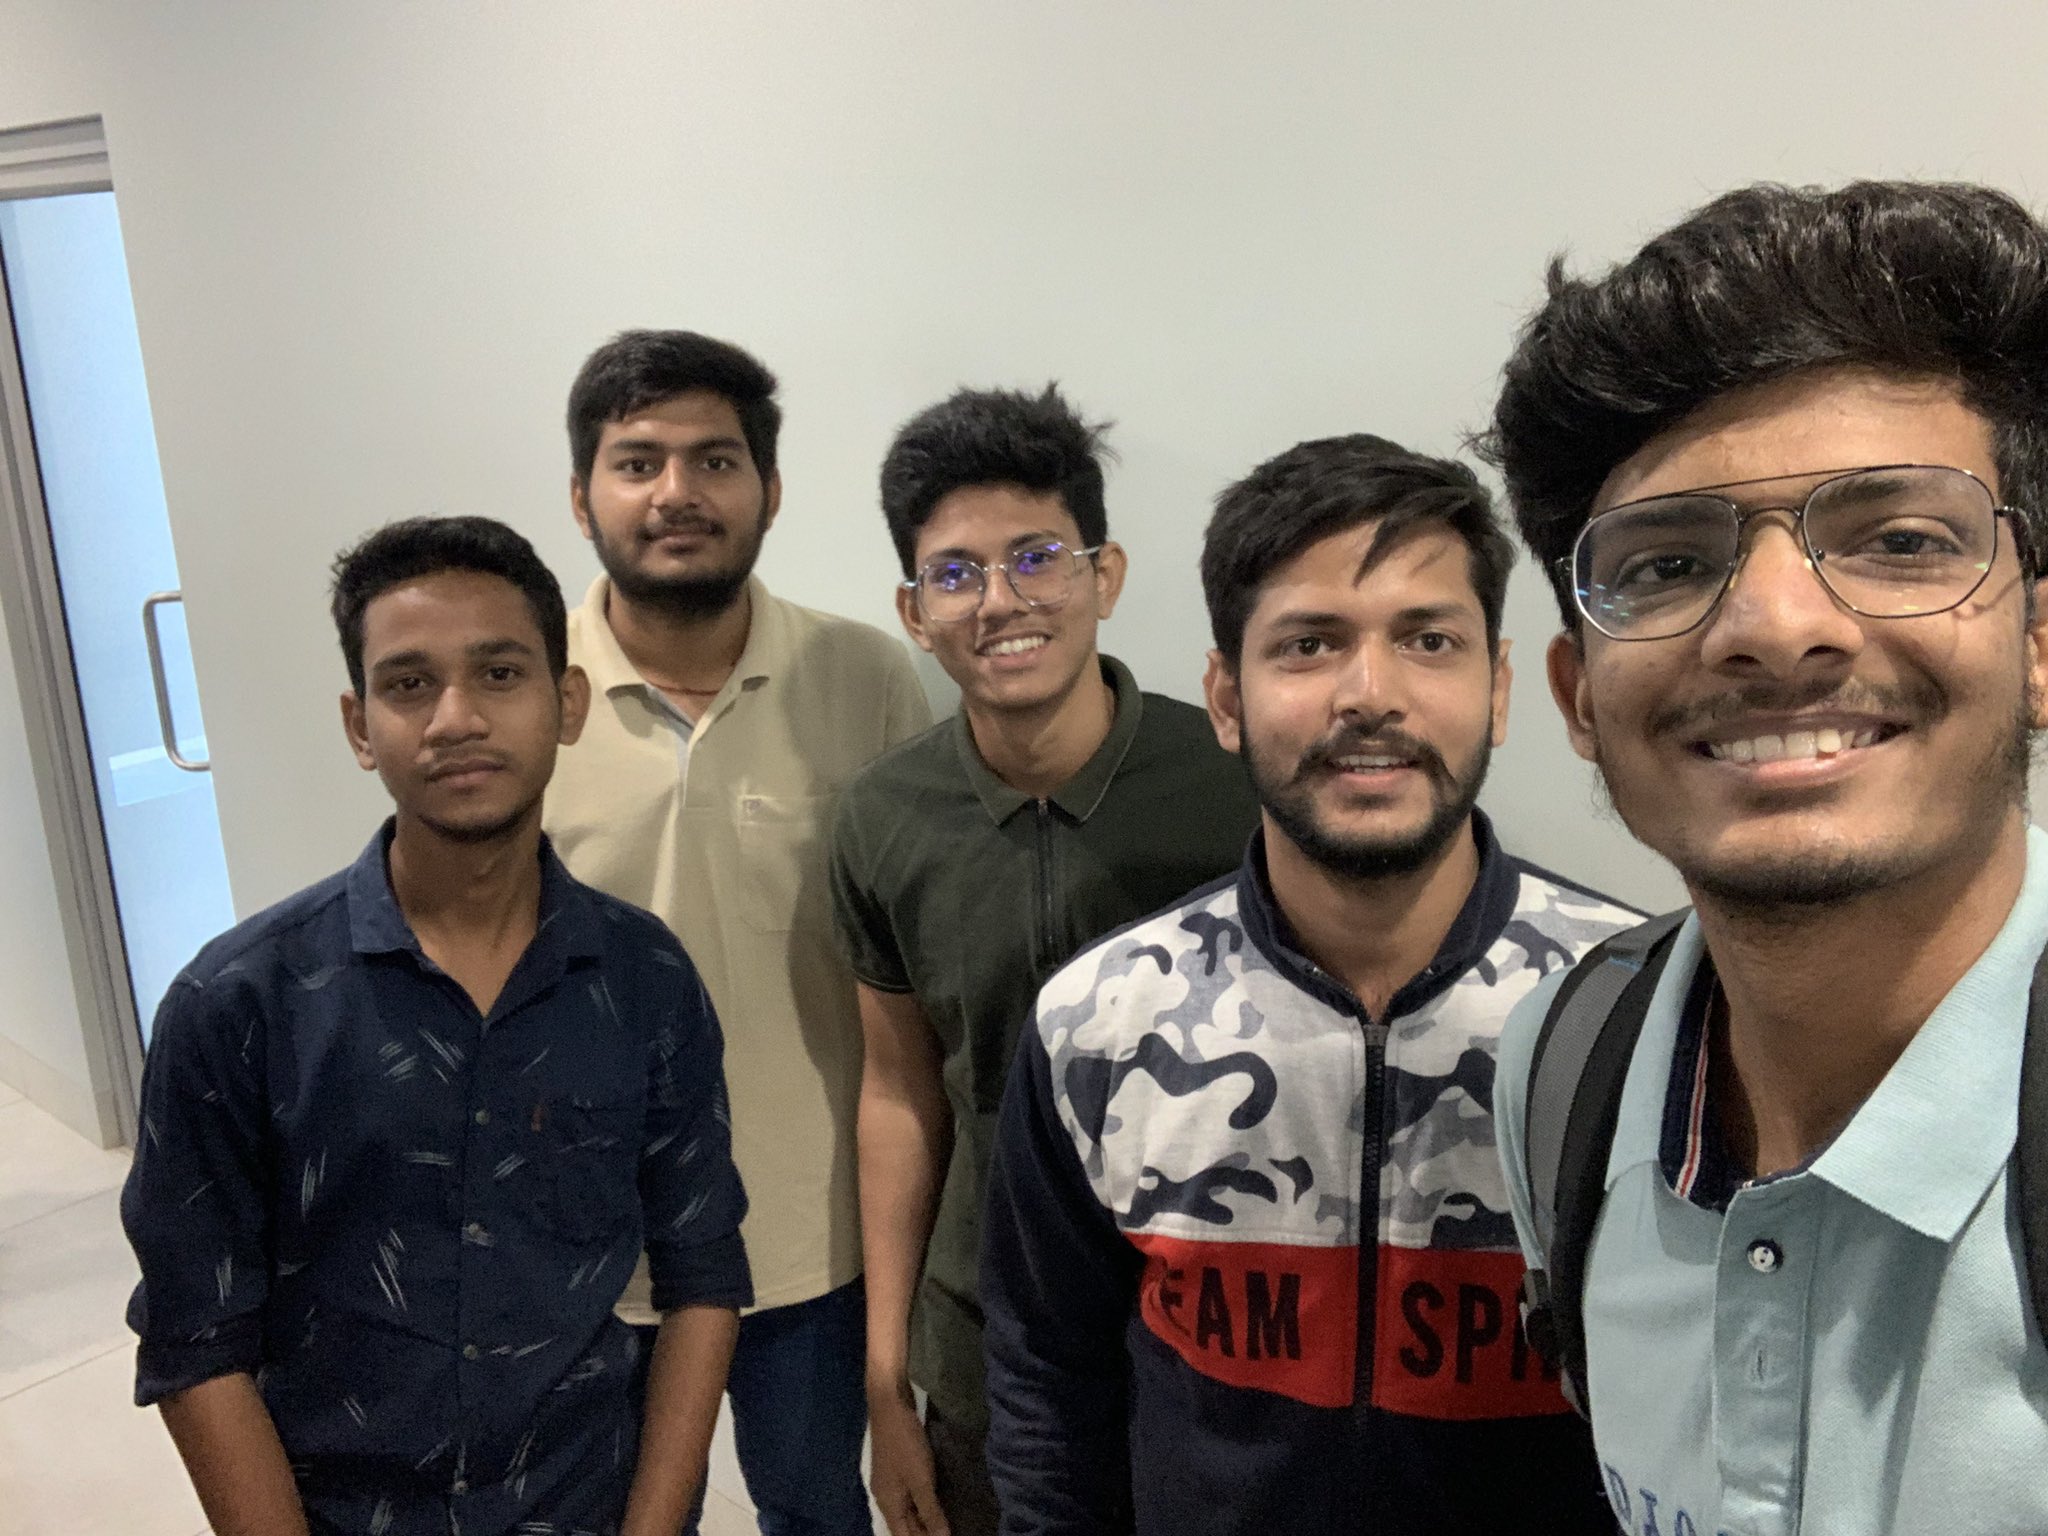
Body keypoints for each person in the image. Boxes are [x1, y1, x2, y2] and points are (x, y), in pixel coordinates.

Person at [1483, 180, 2048, 1534]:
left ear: (2037, 644)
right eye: (1666, 567)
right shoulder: (1564, 1065)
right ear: (1577, 696)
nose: (1774, 625)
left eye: (1900, 540)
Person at [979, 435, 1635, 1535]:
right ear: (1225, 698)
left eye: (1428, 640)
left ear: (1497, 688)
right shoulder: (1098, 1022)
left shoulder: (1631, 1011)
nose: (1369, 695)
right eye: (1308, 644)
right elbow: (1047, 1382)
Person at [120, 516, 750, 1536]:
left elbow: (703, 1273)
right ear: (359, 725)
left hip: (587, 1500)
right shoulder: (236, 1004)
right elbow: (197, 1341)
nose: (456, 717)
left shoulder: (646, 979)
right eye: (409, 684)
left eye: (499, 674)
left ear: (566, 703)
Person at [829, 384, 1260, 1536]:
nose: (1000, 601)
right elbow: (897, 1093)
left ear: (1102, 576)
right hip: (980, 1359)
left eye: (1035, 558)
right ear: (914, 611)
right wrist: (887, 1381)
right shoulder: (882, 818)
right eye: (955, 573)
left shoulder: (1238, 783)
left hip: (1212, 1353)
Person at [545, 329, 931, 1536]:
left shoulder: (862, 676)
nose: (676, 492)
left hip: (807, 1234)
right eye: (637, 462)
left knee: (814, 1510)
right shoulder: (519, 690)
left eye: (714, 461)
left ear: (768, 489)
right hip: (583, 1242)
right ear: (581, 497)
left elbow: (907, 970)